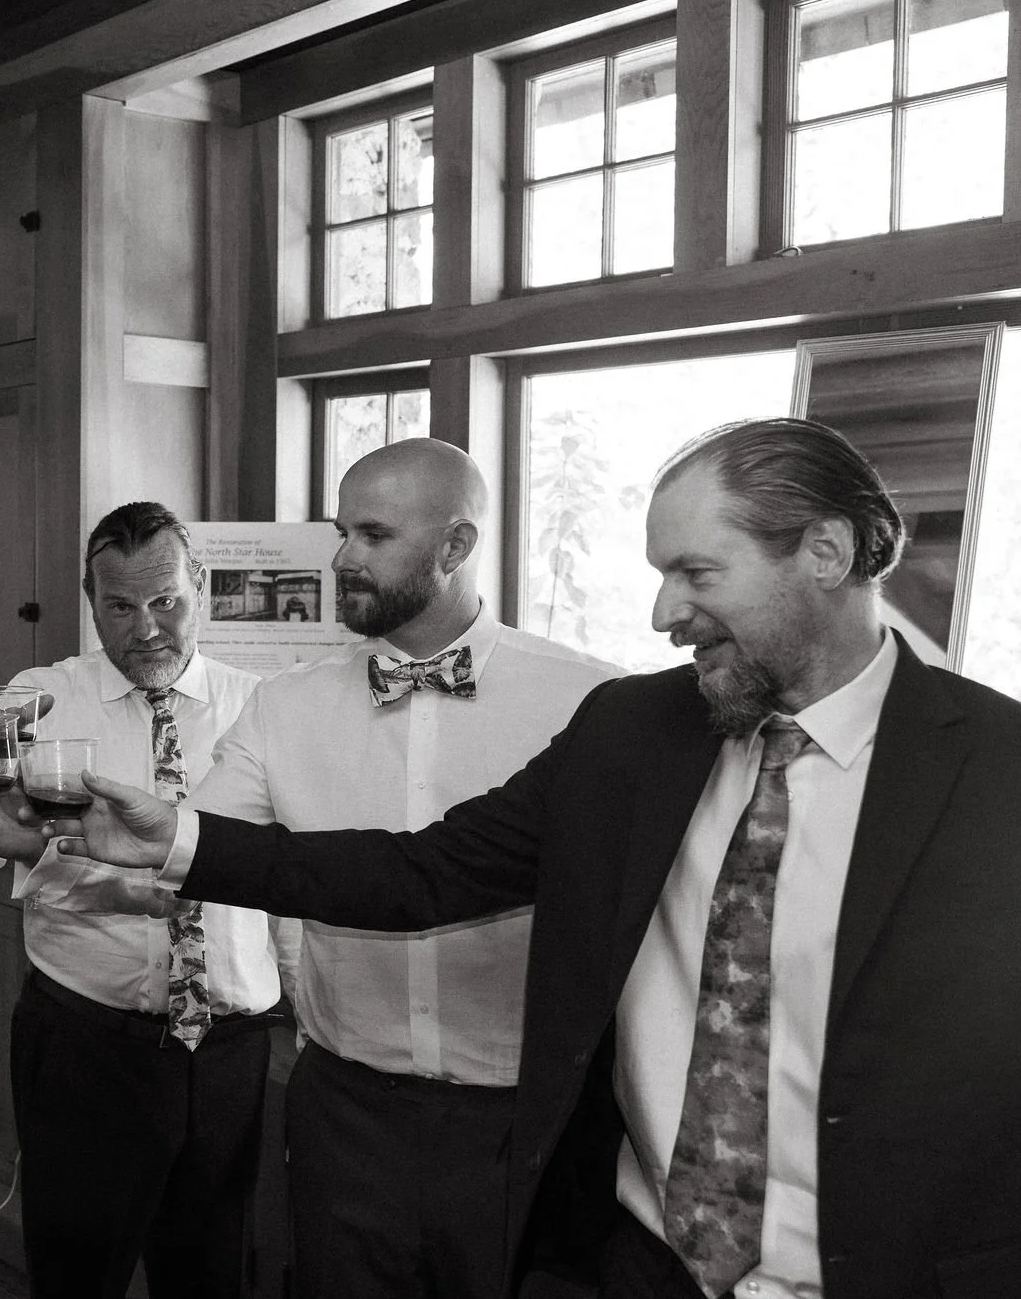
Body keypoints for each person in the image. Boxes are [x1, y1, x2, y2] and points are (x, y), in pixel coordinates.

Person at [59, 417, 1021, 1299]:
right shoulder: (636, 731)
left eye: (697, 573)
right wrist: (178, 838)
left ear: (826, 551)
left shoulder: (996, 776)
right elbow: (421, 872)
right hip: (637, 1260)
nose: (661, 613)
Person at [178, 440, 618, 1298]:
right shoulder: (286, 706)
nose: (341, 558)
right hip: (346, 1115)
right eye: (343, 531)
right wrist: (51, 828)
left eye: (372, 535)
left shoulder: (586, 704)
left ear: (455, 547)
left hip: (525, 1122)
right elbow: (193, 844)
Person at [0, 501, 275, 1299]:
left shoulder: (267, 709)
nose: (146, 628)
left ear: (203, 590)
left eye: (166, 601)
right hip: (87, 1045)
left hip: (229, 1049)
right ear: (91, 603)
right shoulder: (41, 701)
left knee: (213, 1278)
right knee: (76, 1278)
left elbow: (290, 877)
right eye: (120, 606)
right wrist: (100, 878)